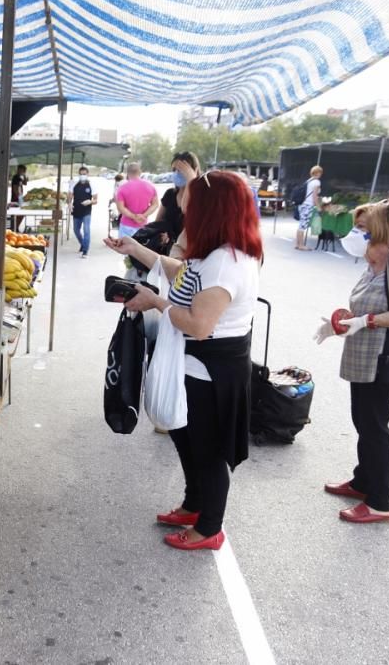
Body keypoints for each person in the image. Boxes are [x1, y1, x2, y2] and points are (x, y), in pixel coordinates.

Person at [104, 171, 262, 550]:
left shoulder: (227, 261)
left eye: (189, 204)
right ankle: (194, 503)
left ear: (212, 209)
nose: (183, 210)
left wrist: (155, 301)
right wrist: (135, 249)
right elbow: (184, 272)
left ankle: (209, 527)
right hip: (192, 364)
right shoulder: (214, 252)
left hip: (212, 369)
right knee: (184, 436)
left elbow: (199, 324)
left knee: (207, 450)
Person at [313, 200, 389, 523]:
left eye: (362, 228)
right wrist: (344, 321)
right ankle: (363, 480)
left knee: (374, 425)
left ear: (381, 230)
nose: (355, 232)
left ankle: (379, 501)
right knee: (363, 421)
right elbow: (372, 301)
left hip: (384, 356)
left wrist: (367, 322)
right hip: (364, 355)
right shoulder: (375, 260)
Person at [114, 162, 159, 238]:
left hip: (126, 226)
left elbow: (120, 208)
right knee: (139, 249)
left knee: (124, 248)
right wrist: (143, 215)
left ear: (127, 173)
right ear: (140, 172)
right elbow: (155, 204)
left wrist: (134, 217)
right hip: (142, 226)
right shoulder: (150, 187)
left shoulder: (122, 188)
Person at [67, 166, 97, 258]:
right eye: (81, 174)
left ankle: (85, 251)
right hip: (76, 210)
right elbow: (70, 196)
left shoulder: (91, 185)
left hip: (87, 211)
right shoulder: (74, 184)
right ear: (79, 174)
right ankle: (83, 244)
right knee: (76, 230)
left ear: (87, 174)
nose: (82, 176)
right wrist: (69, 203)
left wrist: (90, 201)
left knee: (86, 230)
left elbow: (96, 200)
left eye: (84, 174)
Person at [295, 166, 322, 251]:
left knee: (301, 225)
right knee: (303, 226)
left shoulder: (309, 180)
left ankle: (297, 244)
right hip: (308, 205)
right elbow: (315, 196)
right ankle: (301, 245)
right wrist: (318, 207)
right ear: (318, 173)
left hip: (302, 204)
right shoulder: (317, 182)